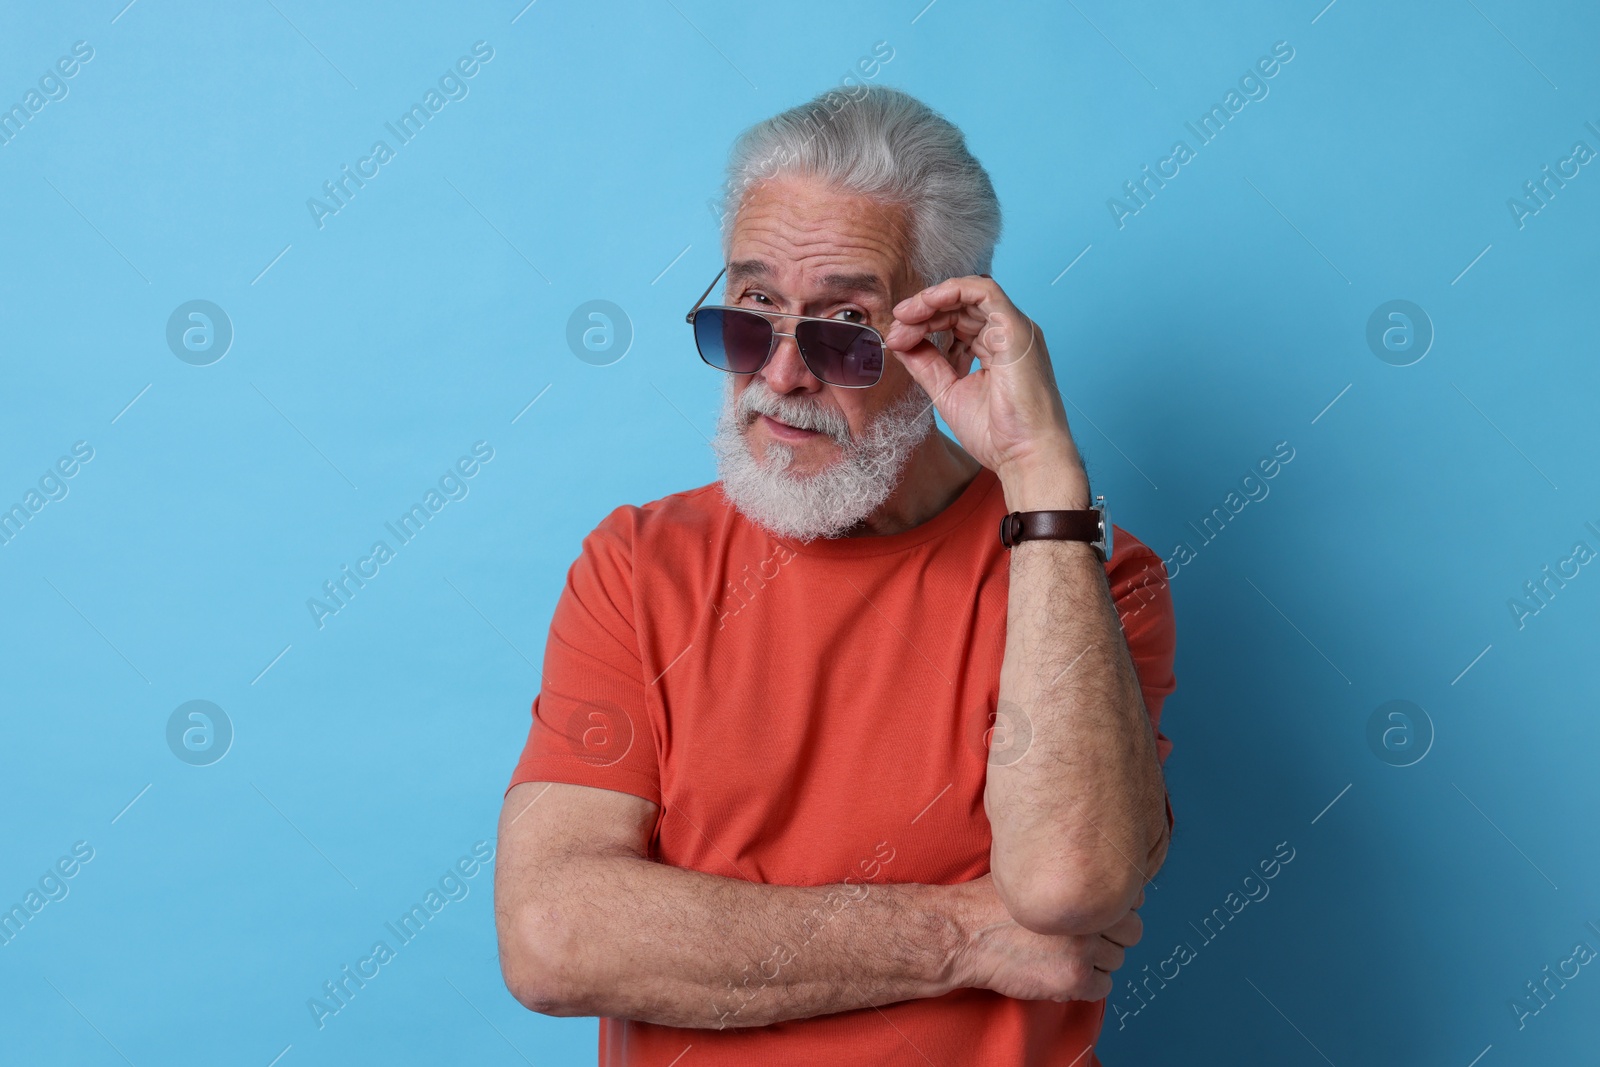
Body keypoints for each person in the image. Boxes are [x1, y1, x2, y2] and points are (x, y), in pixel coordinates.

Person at [494, 84, 1177, 1066]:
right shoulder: (639, 566)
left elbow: (1071, 888)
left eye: (841, 330)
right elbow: (555, 934)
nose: (777, 376)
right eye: (749, 315)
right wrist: (966, 934)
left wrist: (1041, 478)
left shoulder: (1087, 579)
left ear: (942, 338)